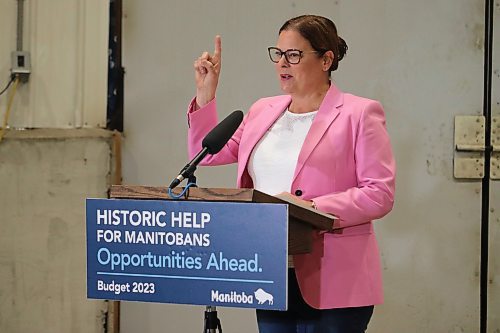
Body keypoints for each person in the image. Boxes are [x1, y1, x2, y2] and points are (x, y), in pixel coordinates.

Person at [187, 15, 396, 333]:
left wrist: (310, 208)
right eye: (278, 53)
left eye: (294, 55)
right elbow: (207, 155)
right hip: (270, 269)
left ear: (326, 59)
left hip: (335, 276)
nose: (283, 63)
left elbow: (379, 193)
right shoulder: (263, 111)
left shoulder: (359, 113)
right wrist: (205, 96)